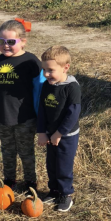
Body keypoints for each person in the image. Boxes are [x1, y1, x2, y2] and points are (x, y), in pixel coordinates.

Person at [0, 19, 46, 196]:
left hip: (25, 118)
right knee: (7, 151)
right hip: (3, 117)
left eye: (11, 42)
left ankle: (30, 181)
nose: (6, 45)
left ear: (23, 41)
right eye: (1, 41)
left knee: (26, 152)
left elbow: (39, 90)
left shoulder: (31, 62)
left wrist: (41, 116)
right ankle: (9, 179)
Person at [37, 45, 81, 212]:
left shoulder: (72, 87)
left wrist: (59, 133)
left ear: (65, 67)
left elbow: (73, 114)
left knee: (63, 165)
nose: (46, 74)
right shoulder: (47, 85)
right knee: (51, 164)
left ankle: (65, 194)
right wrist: (41, 131)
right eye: (44, 70)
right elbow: (42, 108)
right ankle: (54, 190)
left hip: (67, 135)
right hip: (49, 133)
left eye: (50, 70)